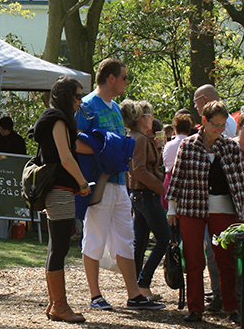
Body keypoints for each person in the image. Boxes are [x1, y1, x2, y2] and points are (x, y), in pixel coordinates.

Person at [74, 58, 163, 310]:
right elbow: (73, 142)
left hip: (120, 182)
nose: (126, 81)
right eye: (124, 77)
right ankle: (95, 296)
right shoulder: (87, 106)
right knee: (94, 238)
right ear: (111, 78)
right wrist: (103, 152)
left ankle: (134, 295)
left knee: (126, 238)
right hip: (98, 183)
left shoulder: (114, 108)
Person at [166, 100, 244, 323]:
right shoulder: (188, 145)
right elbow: (177, 177)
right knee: (194, 260)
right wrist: (172, 208)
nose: (220, 129)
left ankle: (232, 307)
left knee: (226, 260)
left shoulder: (231, 147)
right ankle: (195, 308)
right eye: (215, 124)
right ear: (203, 121)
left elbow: (241, 182)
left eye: (223, 125)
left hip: (223, 210)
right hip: (191, 208)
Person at [34, 76, 91, 323]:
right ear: (66, 96)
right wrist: (81, 183)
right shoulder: (58, 119)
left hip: (58, 190)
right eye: (78, 95)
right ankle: (59, 305)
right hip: (60, 190)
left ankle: (55, 303)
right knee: (59, 247)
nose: (81, 101)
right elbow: (65, 157)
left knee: (56, 247)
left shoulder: (55, 117)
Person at [123, 99, 170, 300]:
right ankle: (143, 282)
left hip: (139, 194)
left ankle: (136, 289)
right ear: (140, 119)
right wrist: (161, 187)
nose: (152, 119)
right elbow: (139, 170)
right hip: (146, 194)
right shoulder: (139, 139)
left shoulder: (139, 137)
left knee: (140, 243)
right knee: (164, 238)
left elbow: (145, 169)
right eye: (148, 115)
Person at [161, 113, 194, 210]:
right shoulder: (193, 144)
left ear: (175, 128)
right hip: (187, 184)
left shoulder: (168, 145)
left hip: (169, 181)